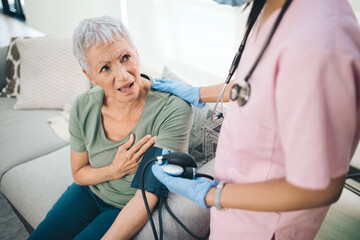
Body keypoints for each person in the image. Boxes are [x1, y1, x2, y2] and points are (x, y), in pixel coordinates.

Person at [151, 0, 360, 239]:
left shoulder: (318, 45)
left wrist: (211, 194)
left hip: (263, 226)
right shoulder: (272, 7)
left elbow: (320, 187)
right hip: (234, 213)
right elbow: (255, 87)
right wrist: (196, 92)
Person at [28, 16, 193, 240]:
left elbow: (148, 194)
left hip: (126, 205)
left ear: (136, 52)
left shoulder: (172, 108)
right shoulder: (83, 105)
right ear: (90, 76)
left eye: (126, 57)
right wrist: (114, 170)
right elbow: (79, 173)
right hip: (88, 192)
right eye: (105, 68)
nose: (123, 76)